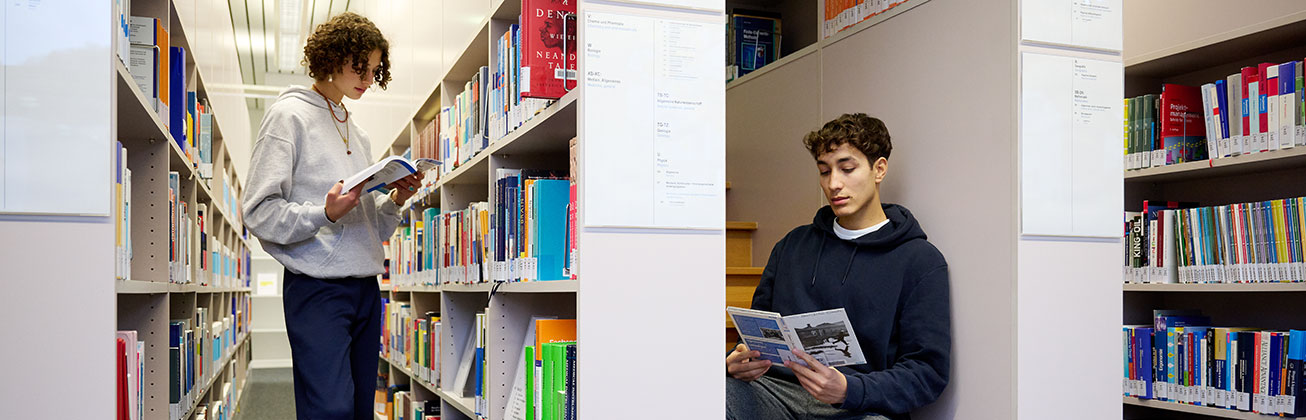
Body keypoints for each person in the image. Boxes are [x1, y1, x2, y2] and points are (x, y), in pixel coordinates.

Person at [241, 12, 420, 420]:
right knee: (330, 410)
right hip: (317, 289)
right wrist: (324, 213)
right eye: (361, 67)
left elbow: (367, 227)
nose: (369, 79)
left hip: (366, 288)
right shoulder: (289, 116)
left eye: (375, 70)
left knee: (359, 409)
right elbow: (258, 211)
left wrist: (396, 200)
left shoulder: (358, 133)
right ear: (333, 57)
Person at [725, 113, 951, 420]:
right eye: (824, 171)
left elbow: (927, 373)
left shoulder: (920, 261)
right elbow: (754, 336)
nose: (833, 184)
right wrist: (737, 361)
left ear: (879, 169)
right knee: (708, 396)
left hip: (858, 405)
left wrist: (849, 389)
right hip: (776, 393)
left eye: (847, 169)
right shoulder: (792, 245)